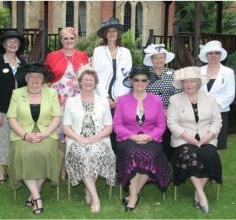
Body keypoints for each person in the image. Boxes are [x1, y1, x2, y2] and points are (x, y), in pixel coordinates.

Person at [7, 63, 63, 214]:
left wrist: (45, 134)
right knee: (23, 154)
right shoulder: (17, 93)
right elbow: (12, 118)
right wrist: (25, 135)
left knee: (47, 153)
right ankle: (37, 198)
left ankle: (33, 194)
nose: (35, 79)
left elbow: (57, 117)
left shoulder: (51, 93)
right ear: (26, 78)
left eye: (38, 77)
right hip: (22, 134)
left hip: (46, 132)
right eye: (31, 76)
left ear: (43, 79)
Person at [114, 66, 170, 212]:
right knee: (132, 154)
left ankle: (133, 194)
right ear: (132, 81)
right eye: (136, 80)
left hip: (151, 139)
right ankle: (133, 196)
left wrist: (150, 137)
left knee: (150, 155)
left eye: (143, 80)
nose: (140, 83)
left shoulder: (157, 101)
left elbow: (161, 125)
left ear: (148, 82)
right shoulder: (121, 100)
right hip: (127, 139)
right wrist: (132, 136)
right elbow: (117, 125)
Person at [167, 66, 222, 214]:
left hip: (206, 138)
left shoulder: (210, 98)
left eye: (192, 81)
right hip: (183, 140)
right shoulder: (175, 99)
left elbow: (217, 121)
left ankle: (197, 193)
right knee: (189, 156)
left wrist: (209, 136)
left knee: (209, 156)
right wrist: (189, 138)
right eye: (185, 82)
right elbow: (172, 123)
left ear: (198, 82)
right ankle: (201, 194)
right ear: (182, 84)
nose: (189, 84)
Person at [63, 65, 116, 213]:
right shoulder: (71, 101)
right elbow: (66, 127)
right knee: (83, 155)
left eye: (91, 80)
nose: (88, 82)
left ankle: (88, 189)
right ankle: (96, 198)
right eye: (85, 79)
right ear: (80, 82)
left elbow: (109, 127)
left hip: (99, 139)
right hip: (77, 140)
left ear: (95, 82)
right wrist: (78, 138)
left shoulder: (103, 101)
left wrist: (96, 138)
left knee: (97, 154)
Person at [45, 27, 89, 180]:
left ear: (75, 39)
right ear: (61, 40)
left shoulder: (83, 56)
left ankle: (67, 168)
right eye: (65, 38)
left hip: (76, 101)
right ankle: (57, 167)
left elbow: (88, 79)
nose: (68, 41)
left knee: (72, 133)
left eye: (71, 38)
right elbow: (46, 79)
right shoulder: (52, 56)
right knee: (57, 136)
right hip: (57, 101)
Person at [0, 30, 27, 183]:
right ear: (4, 45)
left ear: (19, 45)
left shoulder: (22, 63)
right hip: (2, 108)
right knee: (0, 139)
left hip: (20, 110)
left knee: (17, 140)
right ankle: (1, 171)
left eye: (15, 42)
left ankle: (15, 168)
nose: (12, 44)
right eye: (9, 42)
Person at [92, 17, 132, 153]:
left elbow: (128, 77)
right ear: (104, 34)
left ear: (118, 33)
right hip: (101, 97)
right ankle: (101, 159)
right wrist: (106, 97)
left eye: (114, 31)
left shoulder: (125, 52)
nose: (111, 34)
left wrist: (119, 98)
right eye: (108, 31)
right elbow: (95, 76)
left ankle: (117, 162)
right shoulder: (98, 51)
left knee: (118, 130)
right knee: (102, 128)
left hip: (121, 99)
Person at [143, 43, 181, 159]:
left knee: (167, 136)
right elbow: (141, 93)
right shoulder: (145, 74)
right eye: (156, 57)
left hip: (169, 111)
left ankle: (166, 160)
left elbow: (177, 94)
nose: (159, 60)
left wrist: (168, 110)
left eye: (161, 57)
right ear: (151, 59)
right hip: (149, 111)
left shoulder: (172, 73)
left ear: (165, 58)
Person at [198, 40, 235, 152]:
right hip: (201, 113)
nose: (213, 55)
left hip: (220, 113)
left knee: (217, 147)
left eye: (216, 53)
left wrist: (213, 106)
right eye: (210, 53)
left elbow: (230, 94)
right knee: (200, 143)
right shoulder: (199, 71)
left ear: (220, 55)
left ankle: (215, 169)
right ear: (206, 55)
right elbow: (195, 91)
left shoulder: (228, 72)